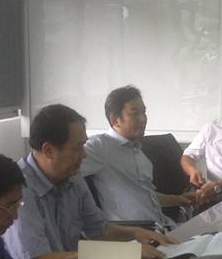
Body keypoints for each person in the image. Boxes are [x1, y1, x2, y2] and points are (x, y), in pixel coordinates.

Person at [2, 103, 173, 259]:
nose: (84, 155)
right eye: (78, 147)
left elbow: (99, 230)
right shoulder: (19, 189)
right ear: (48, 151)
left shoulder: (72, 177)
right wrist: (123, 253)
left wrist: (135, 234)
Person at [80, 85, 195, 224]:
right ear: (115, 120)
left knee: (214, 232)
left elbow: (146, 196)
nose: (143, 119)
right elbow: (65, 169)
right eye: (134, 113)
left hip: (164, 226)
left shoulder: (137, 150)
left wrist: (179, 200)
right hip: (136, 232)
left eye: (143, 112)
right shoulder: (99, 146)